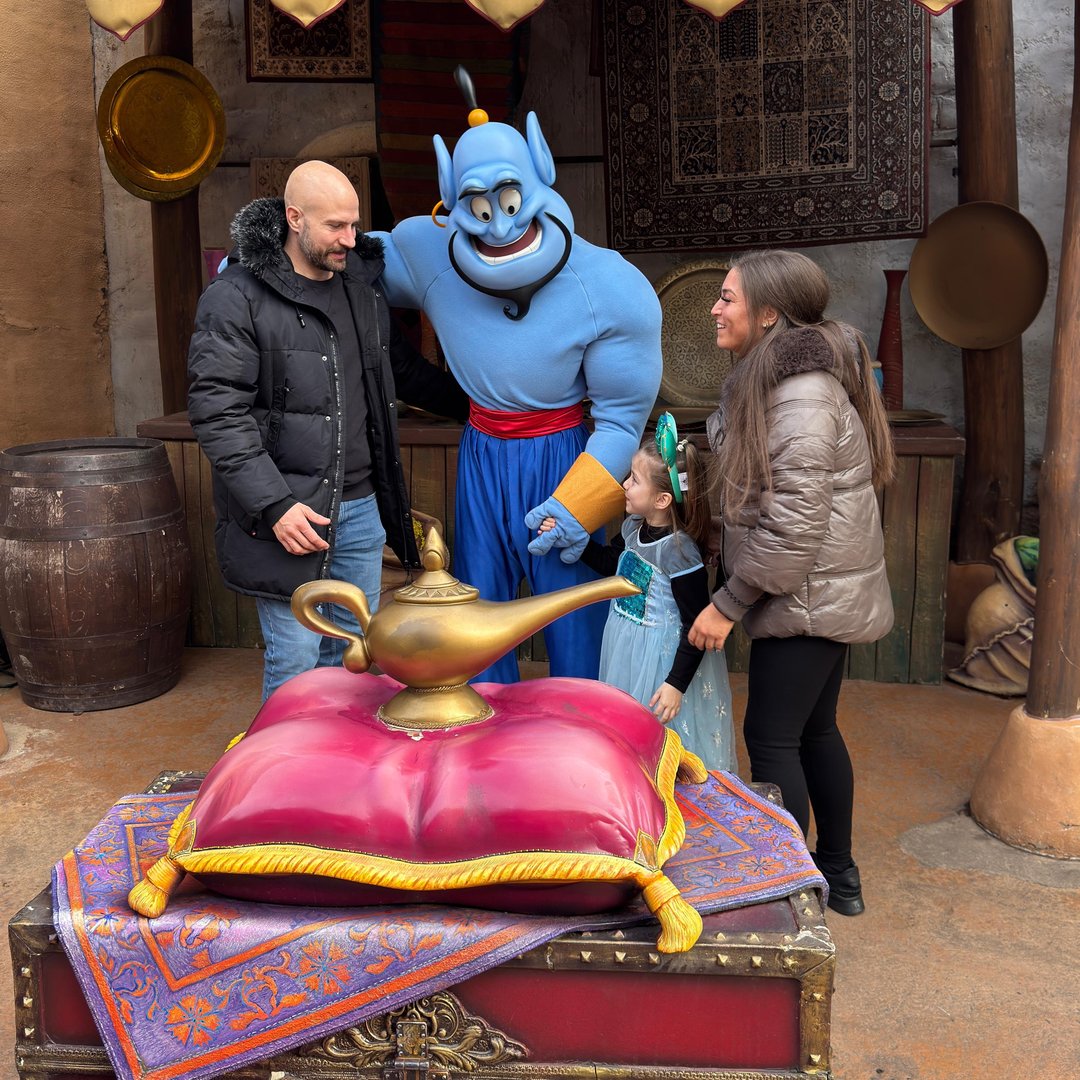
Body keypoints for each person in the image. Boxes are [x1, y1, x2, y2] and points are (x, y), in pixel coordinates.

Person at [372, 72, 661, 684]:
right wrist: (269, 255)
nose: (499, 229)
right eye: (479, 209)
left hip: (563, 454)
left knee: (574, 615)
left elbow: (620, 418)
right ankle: (484, 730)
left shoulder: (608, 283)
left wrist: (580, 502)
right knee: (478, 611)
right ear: (453, 203)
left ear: (538, 181)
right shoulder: (428, 252)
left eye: (508, 204)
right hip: (481, 454)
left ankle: (580, 729)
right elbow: (346, 258)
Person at [187, 161, 468, 701]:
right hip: (290, 514)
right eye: (335, 226)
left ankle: (341, 757)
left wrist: (485, 406)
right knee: (296, 661)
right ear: (295, 219)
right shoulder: (236, 295)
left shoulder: (360, 288)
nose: (350, 239)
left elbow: (402, 371)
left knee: (355, 654)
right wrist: (274, 505)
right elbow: (217, 411)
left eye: (354, 224)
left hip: (361, 509)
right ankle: (288, 757)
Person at [688, 249, 896, 917]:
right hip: (816, 590)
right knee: (815, 731)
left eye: (727, 298)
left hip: (805, 594)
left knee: (774, 738)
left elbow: (794, 526)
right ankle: (838, 874)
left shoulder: (800, 393)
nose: (715, 309)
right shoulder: (777, 381)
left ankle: (792, 888)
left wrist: (727, 603)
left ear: (769, 314)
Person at [540, 414, 735, 772]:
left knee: (659, 739)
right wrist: (570, 538)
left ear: (662, 499)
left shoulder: (678, 552)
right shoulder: (633, 527)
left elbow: (695, 625)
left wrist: (675, 685)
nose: (625, 485)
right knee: (626, 736)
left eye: (634, 480)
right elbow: (611, 563)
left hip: (660, 660)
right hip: (626, 646)